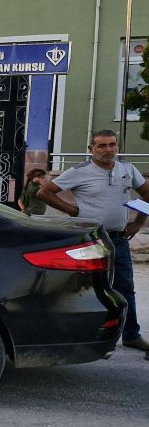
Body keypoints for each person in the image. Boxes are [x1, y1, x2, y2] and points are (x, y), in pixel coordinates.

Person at [37, 130, 149, 352]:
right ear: (91, 150)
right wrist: (71, 210)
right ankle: (78, 334)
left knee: (125, 288)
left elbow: (146, 193)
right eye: (102, 146)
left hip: (118, 239)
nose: (108, 150)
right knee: (83, 287)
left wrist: (137, 223)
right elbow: (45, 192)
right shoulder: (80, 171)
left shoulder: (127, 169)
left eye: (112, 145)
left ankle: (131, 334)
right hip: (89, 240)